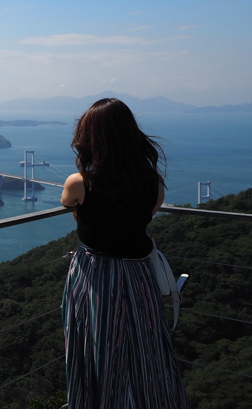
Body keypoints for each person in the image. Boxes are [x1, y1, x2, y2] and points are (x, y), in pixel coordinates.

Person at [60, 98, 188, 408]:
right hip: (139, 275)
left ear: (90, 138)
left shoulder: (80, 183)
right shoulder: (153, 182)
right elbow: (146, 215)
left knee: (98, 348)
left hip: (96, 277)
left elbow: (70, 205)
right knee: (145, 348)